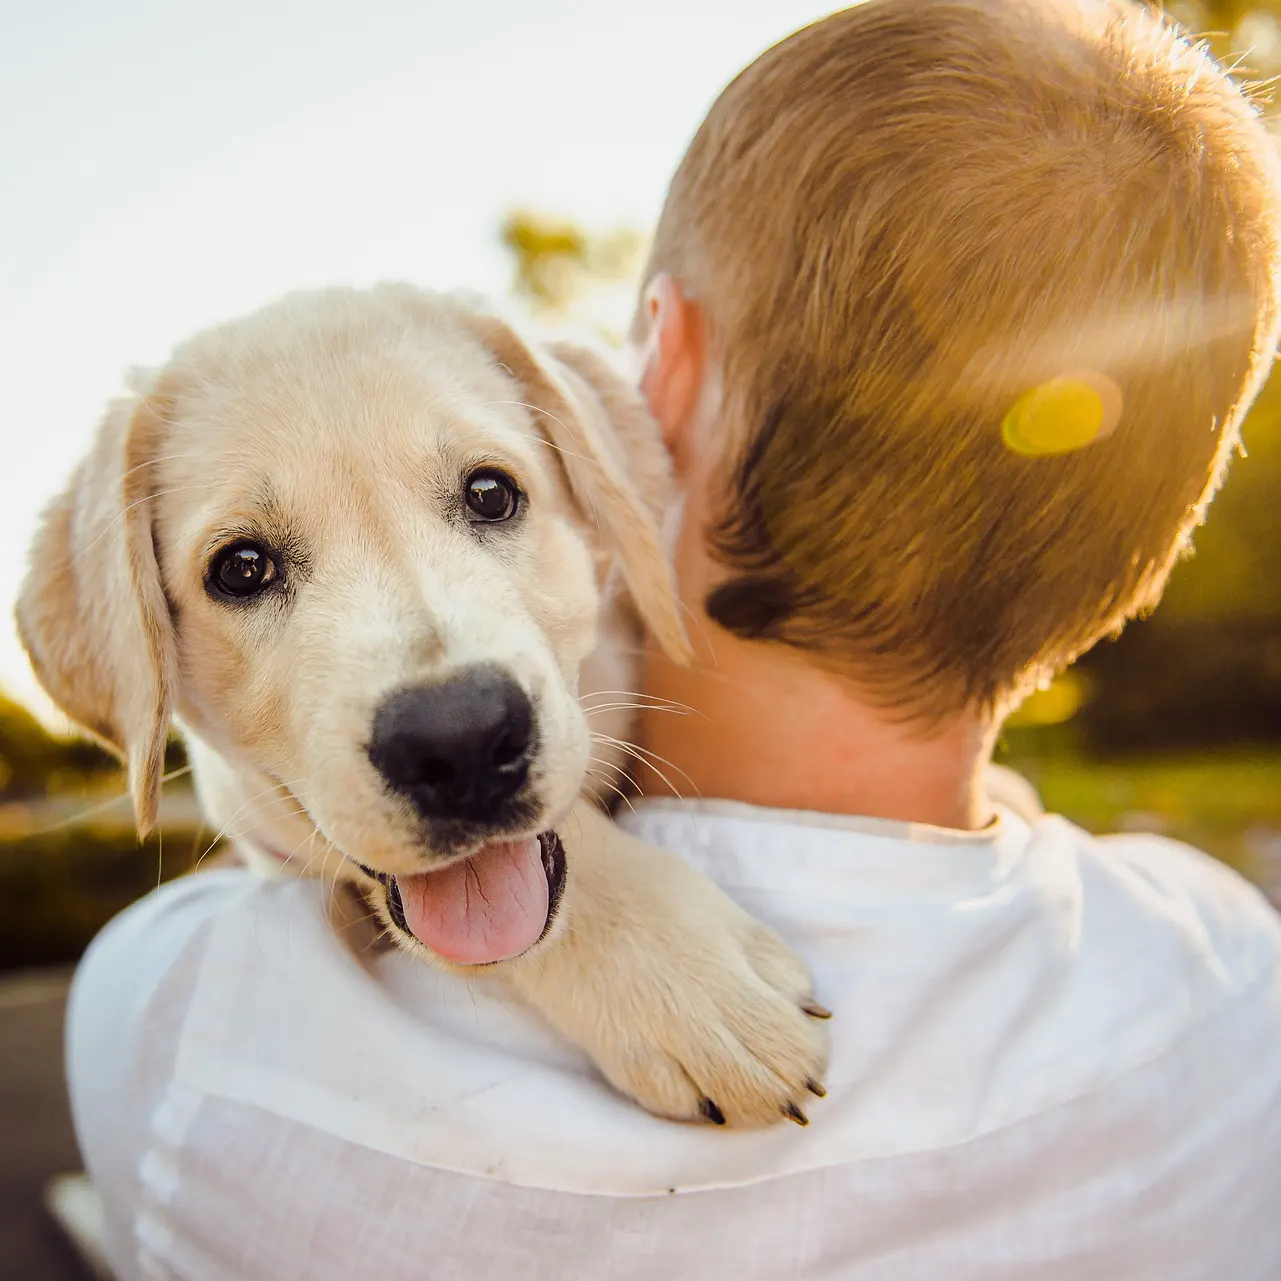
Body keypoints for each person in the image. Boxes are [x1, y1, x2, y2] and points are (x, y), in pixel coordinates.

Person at [62, 1, 1281, 1277]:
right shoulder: (1228, 971)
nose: (440, 695)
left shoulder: (184, 1028)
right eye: (248, 568)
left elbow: (243, 864)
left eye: (488, 498)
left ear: (666, 378)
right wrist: (585, 907)